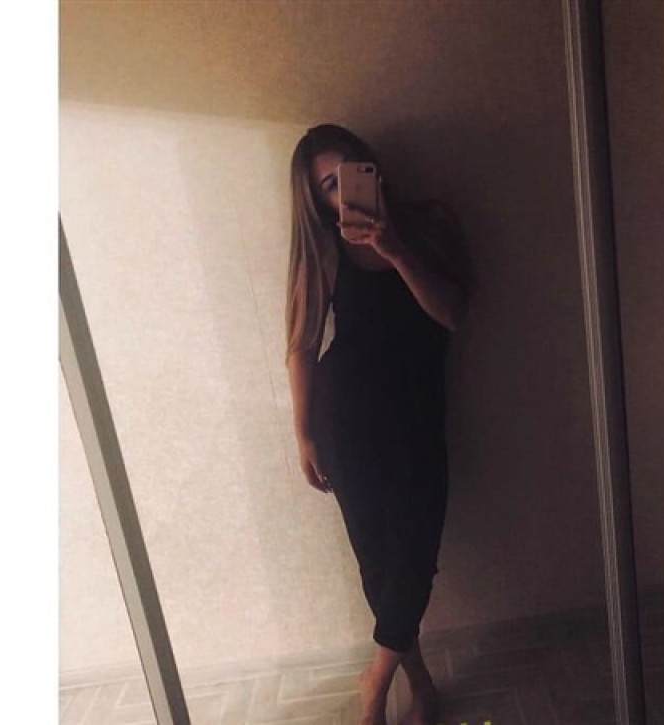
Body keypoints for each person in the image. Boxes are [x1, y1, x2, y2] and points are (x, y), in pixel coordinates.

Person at [284, 124, 474, 725]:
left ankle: (375, 681)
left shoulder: (431, 224)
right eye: (328, 186)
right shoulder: (324, 250)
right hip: (346, 419)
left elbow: (451, 315)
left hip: (417, 417)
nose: (343, 192)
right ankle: (420, 683)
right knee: (378, 561)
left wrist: (395, 251)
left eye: (349, 173)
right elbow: (301, 345)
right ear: (318, 202)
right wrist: (304, 433)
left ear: (371, 167)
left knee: (416, 553)